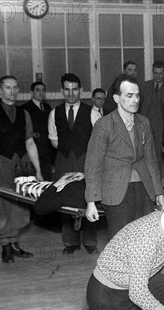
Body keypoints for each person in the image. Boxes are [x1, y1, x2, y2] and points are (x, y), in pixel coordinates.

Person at [84, 75, 164, 240]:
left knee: (145, 241)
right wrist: (91, 201)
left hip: (144, 190)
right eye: (129, 95)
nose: (135, 100)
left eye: (137, 95)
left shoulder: (144, 122)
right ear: (116, 98)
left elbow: (151, 159)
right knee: (120, 242)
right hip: (116, 192)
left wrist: (159, 192)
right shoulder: (104, 125)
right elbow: (93, 164)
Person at [0, 75, 42, 263]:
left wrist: (38, 170)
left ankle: (14, 243)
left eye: (15, 87)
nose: (12, 91)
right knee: (3, 207)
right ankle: (5, 246)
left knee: (20, 206)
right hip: (2, 164)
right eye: (7, 87)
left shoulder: (24, 114)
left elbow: (30, 142)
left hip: (22, 165)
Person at [48, 73, 98, 254]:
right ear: (62, 91)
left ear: (81, 91)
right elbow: (53, 140)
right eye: (67, 89)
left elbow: (98, 141)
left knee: (88, 198)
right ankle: (71, 243)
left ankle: (90, 242)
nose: (71, 93)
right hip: (63, 161)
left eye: (75, 89)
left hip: (85, 160)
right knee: (64, 199)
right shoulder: (54, 113)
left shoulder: (92, 112)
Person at [141, 60, 164, 171]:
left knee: (160, 150)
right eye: (155, 73)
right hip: (146, 123)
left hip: (162, 124)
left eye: (160, 73)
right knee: (146, 149)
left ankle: (161, 174)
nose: (158, 76)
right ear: (152, 72)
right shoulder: (145, 86)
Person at [21, 81, 53, 181]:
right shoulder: (24, 108)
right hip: (32, 150)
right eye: (38, 90)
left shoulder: (48, 108)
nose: (41, 93)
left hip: (46, 151)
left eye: (43, 90)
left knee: (47, 181)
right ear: (31, 93)